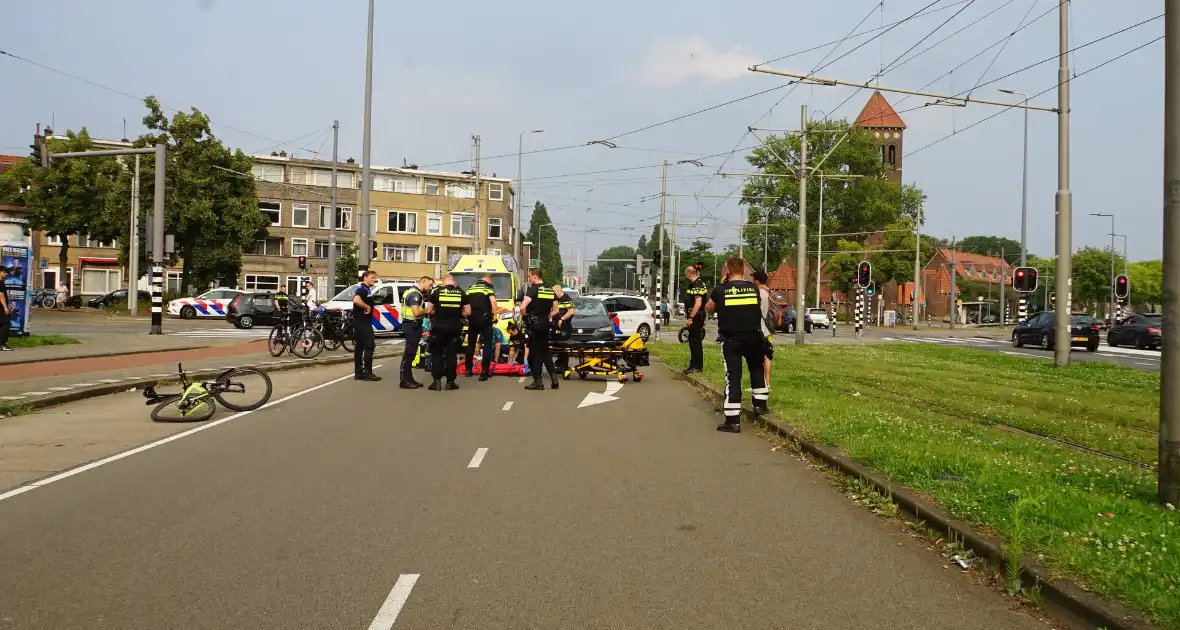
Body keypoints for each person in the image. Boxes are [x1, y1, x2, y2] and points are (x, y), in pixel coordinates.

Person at [705, 257, 769, 433]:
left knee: (733, 377)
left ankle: (733, 420)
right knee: (757, 369)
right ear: (743, 270)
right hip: (754, 337)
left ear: (727, 270)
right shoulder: (754, 289)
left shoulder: (720, 290)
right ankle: (760, 406)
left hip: (732, 339)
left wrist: (721, 288)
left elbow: (709, 308)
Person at [424, 273, 470, 391]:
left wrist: (438, 312)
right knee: (451, 354)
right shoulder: (461, 293)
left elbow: (429, 310)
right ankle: (450, 382)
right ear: (453, 281)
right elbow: (468, 312)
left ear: (443, 282)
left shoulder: (437, 292)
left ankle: (436, 382)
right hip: (454, 328)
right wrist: (458, 314)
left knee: (437, 354)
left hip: (439, 327)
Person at [519, 268, 558, 390]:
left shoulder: (533, 289)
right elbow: (556, 310)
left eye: (529, 277)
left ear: (535, 277)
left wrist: (525, 317)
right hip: (545, 324)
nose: (529, 279)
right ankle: (554, 377)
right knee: (545, 351)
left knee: (534, 353)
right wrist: (546, 317)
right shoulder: (550, 289)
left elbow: (522, 307)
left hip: (534, 325)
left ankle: (538, 381)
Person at [399, 276, 432, 389]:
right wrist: (427, 311)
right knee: (409, 354)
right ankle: (404, 380)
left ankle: (409, 379)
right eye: (429, 284)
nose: (430, 287)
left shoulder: (411, 291)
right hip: (411, 326)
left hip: (410, 325)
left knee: (411, 353)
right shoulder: (415, 294)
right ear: (423, 282)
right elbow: (416, 312)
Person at [464, 273, 498, 381]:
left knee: (471, 344)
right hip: (485, 319)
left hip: (472, 319)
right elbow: (493, 301)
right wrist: (495, 315)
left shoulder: (470, 287)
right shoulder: (487, 287)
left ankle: (468, 370)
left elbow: (465, 302)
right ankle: (484, 372)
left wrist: (465, 314)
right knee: (487, 345)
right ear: (488, 279)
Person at [352, 270, 380, 381]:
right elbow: (356, 300)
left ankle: (358, 372)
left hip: (359, 322)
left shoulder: (367, 290)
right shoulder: (362, 289)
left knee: (359, 347)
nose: (374, 280)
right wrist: (367, 307)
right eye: (372, 277)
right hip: (363, 323)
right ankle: (368, 373)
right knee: (369, 345)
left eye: (375, 277)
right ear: (365, 278)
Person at [683, 265, 708, 374]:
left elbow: (698, 303)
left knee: (694, 341)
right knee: (695, 340)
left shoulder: (697, 284)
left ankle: (695, 366)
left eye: (686, 274)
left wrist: (690, 318)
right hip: (697, 315)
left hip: (696, 315)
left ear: (689, 273)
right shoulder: (698, 283)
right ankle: (696, 365)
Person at [752, 270, 774, 384]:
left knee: (759, 357)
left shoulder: (758, 294)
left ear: (756, 281)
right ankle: (767, 383)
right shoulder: (769, 293)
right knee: (767, 355)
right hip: (768, 329)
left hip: (759, 329)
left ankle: (760, 384)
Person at [551, 285, 576, 374]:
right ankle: (559, 363)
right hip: (556, 326)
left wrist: (562, 319)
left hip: (565, 326)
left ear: (558, 291)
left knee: (564, 346)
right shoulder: (556, 300)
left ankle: (564, 365)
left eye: (554, 293)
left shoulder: (567, 299)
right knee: (556, 345)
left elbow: (571, 311)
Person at [0, 268, 11, 351]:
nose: (6, 274)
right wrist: (5, 307)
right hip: (1, 307)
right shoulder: (0, 282)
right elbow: (1, 295)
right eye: (5, 272)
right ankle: (2, 344)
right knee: (6, 324)